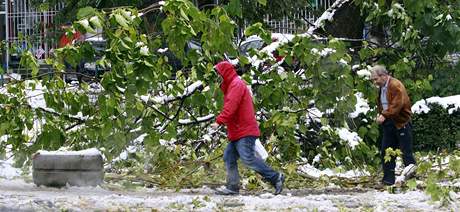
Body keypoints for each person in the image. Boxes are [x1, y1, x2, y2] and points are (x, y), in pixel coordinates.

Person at [211, 60, 285, 195]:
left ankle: (276, 177)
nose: (218, 78)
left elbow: (230, 107)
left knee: (248, 159)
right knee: (229, 157)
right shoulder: (231, 86)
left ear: (225, 73)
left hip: (244, 131)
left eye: (219, 74)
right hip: (238, 131)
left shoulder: (236, 85)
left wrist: (219, 122)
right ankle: (232, 187)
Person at [370, 65, 417, 186]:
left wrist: (384, 115)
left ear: (384, 76)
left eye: (375, 79)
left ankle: (411, 181)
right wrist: (382, 115)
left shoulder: (395, 85)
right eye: (373, 80)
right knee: (387, 152)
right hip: (389, 122)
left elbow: (397, 104)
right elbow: (383, 104)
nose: (374, 82)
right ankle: (388, 180)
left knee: (406, 152)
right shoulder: (382, 87)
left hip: (401, 122)